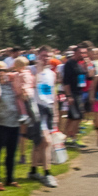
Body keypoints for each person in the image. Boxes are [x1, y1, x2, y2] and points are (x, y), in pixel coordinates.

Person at [0, 61, 23, 189]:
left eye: (2, 70)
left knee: (12, 152)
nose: (0, 73)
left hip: (14, 123)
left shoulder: (11, 84)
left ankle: (10, 179)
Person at [27, 46, 59, 187]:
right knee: (46, 142)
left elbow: (53, 94)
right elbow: (34, 86)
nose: (45, 58)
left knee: (39, 142)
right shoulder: (31, 71)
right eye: (43, 55)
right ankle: (47, 173)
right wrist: (38, 70)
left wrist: (56, 113)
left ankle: (33, 171)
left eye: (48, 56)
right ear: (37, 55)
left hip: (48, 109)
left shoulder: (52, 73)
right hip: (35, 110)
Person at [60, 43, 88, 145]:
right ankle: (69, 137)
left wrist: (87, 64)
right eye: (81, 52)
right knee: (77, 116)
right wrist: (69, 96)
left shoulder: (80, 64)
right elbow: (66, 81)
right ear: (75, 52)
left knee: (74, 117)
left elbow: (90, 76)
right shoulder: (69, 64)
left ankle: (69, 138)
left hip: (80, 92)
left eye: (85, 53)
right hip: (73, 93)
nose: (83, 54)